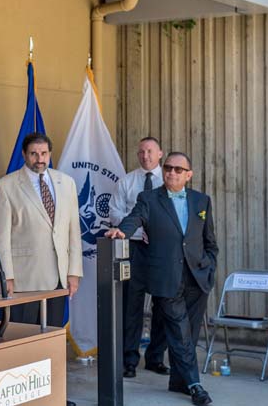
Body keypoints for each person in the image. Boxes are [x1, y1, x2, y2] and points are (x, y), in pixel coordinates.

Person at [106, 152, 217, 406]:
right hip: (166, 278)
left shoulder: (202, 200)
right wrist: (122, 231)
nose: (172, 172)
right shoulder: (149, 198)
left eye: (179, 169)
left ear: (189, 175)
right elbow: (134, 218)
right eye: (168, 167)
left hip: (197, 277)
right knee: (180, 332)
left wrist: (210, 266)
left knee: (189, 331)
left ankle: (178, 380)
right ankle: (194, 384)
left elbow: (210, 241)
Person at [0, 132, 83, 327]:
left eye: (44, 153)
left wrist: (73, 271)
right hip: (24, 280)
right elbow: (0, 238)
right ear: (24, 154)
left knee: (51, 338)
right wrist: (5, 276)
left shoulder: (67, 183)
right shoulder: (5, 186)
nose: (39, 159)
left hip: (58, 277)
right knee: (22, 337)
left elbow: (73, 230)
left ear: (50, 154)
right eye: (34, 154)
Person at [109, 137, 169, 378]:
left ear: (160, 154)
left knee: (163, 304)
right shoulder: (127, 181)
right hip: (133, 248)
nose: (145, 156)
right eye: (141, 151)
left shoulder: (168, 179)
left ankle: (155, 358)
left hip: (161, 249)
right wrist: (140, 230)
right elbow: (115, 214)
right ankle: (129, 360)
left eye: (150, 151)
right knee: (130, 306)